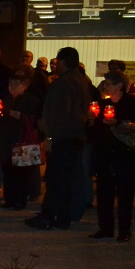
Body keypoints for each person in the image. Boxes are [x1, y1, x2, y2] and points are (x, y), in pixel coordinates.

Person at [26, 47, 90, 231]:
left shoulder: (65, 83)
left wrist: (49, 135)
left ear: (64, 62)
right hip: (74, 136)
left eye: (58, 61)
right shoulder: (80, 81)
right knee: (66, 178)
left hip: (63, 137)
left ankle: (54, 216)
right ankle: (59, 215)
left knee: (57, 179)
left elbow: (59, 113)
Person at [88, 70, 135, 242]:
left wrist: (117, 123)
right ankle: (105, 228)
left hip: (126, 156)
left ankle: (124, 231)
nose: (105, 86)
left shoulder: (133, 104)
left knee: (125, 195)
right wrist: (91, 120)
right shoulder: (103, 104)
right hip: (105, 156)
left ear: (119, 86)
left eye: (108, 83)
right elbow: (94, 131)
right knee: (104, 193)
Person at [0, 67, 42, 210]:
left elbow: (37, 122)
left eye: (17, 84)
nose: (13, 86)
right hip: (6, 141)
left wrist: (21, 116)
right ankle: (9, 199)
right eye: (11, 84)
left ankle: (20, 200)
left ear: (24, 86)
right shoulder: (4, 100)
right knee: (8, 171)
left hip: (23, 141)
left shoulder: (31, 101)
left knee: (22, 173)